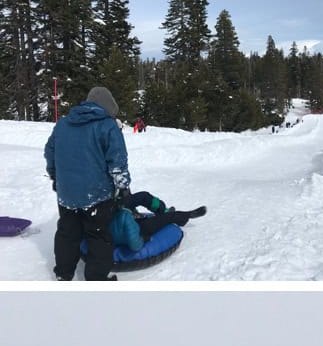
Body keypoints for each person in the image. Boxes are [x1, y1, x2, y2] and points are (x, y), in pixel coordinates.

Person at [43, 85, 131, 281]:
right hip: (96, 194)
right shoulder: (107, 125)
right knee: (98, 235)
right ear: (108, 107)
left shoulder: (63, 124)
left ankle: (64, 274)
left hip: (67, 193)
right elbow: (117, 160)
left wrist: (55, 176)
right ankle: (96, 279)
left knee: (68, 233)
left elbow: (50, 152)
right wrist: (123, 186)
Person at [110, 189, 207, 254]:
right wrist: (144, 239)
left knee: (143, 196)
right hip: (137, 227)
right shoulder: (127, 222)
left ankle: (163, 210)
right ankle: (185, 216)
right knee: (164, 219)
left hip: (115, 209)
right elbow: (135, 245)